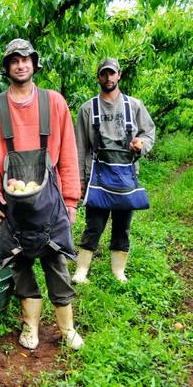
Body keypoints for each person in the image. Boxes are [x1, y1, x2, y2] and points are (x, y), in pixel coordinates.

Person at [0, 38, 83, 350]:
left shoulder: (55, 103)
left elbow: (68, 157)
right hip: (13, 205)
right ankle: (30, 327)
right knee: (20, 265)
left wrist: (72, 201)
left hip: (50, 203)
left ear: (34, 64)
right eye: (14, 60)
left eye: (26, 59)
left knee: (56, 264)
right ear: (7, 68)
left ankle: (67, 329)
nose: (21, 64)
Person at [72, 58, 155, 284]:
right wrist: (79, 181)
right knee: (94, 224)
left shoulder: (134, 106)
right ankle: (81, 270)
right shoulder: (88, 109)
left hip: (126, 175)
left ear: (119, 75)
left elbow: (149, 133)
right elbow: (79, 147)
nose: (108, 78)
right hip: (97, 175)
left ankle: (119, 270)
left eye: (112, 73)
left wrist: (141, 145)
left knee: (123, 224)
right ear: (98, 77)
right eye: (103, 74)